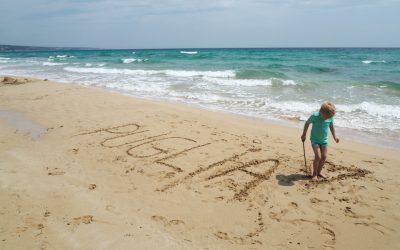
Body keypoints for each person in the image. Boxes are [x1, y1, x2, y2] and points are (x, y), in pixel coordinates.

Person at [301, 101, 339, 181]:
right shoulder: (315, 116)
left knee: (324, 156)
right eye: (327, 116)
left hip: (324, 140)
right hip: (315, 140)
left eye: (330, 117)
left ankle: (319, 172)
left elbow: (331, 126)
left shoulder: (330, 117)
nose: (328, 118)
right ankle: (314, 174)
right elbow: (307, 123)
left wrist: (335, 137)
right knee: (318, 156)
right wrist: (304, 134)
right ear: (321, 112)